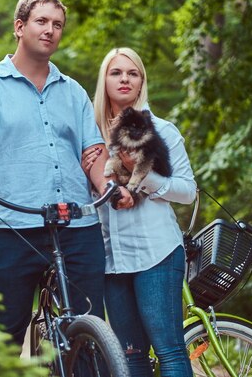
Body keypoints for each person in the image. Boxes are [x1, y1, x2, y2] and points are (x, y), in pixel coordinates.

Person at [0, 0, 134, 347]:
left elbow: (92, 152)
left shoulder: (73, 91)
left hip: (76, 226)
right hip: (12, 228)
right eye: (42, 22)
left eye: (57, 25)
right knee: (5, 336)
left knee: (87, 333)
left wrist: (108, 189)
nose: (50, 30)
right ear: (19, 27)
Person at [82, 47, 196, 377]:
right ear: (104, 80)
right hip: (111, 259)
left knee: (169, 350)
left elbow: (187, 191)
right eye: (116, 72)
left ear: (141, 82)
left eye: (132, 73)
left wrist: (140, 174)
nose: (124, 79)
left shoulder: (161, 130)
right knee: (130, 357)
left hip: (156, 253)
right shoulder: (91, 136)